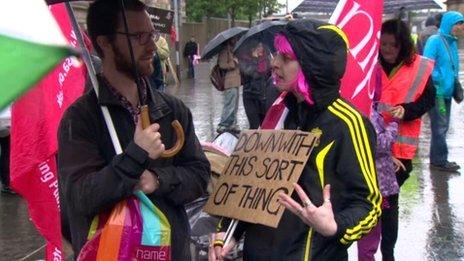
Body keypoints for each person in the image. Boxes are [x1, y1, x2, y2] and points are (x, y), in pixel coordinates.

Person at [210, 19, 381, 260]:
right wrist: (227, 234)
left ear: (312, 65)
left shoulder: (349, 124)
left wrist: (335, 226)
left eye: (286, 58)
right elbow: (249, 185)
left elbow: (369, 204)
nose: (273, 63)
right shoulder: (278, 113)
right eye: (276, 54)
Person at [57, 0, 210, 259]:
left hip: (170, 252)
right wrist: (135, 156)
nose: (151, 45)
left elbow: (199, 176)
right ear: (104, 42)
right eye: (139, 36)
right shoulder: (80, 119)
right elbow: (81, 198)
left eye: (152, 34)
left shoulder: (172, 110)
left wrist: (157, 180)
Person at [374, 19, 436, 261]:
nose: (387, 49)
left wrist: (408, 110)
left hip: (400, 152)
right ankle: (367, 251)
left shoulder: (419, 67)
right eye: (383, 44)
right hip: (373, 146)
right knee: (371, 201)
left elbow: (428, 99)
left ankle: (388, 254)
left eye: (393, 45)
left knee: (389, 204)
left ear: (404, 45)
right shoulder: (371, 65)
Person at [424, 11, 464, 172]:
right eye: (458, 24)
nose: (460, 28)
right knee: (440, 127)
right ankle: (440, 161)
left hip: (446, 93)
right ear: (449, 24)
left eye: (461, 24)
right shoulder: (435, 41)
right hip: (437, 93)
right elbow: (427, 64)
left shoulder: (452, 43)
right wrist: (439, 80)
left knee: (443, 127)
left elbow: (452, 67)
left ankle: (438, 159)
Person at [239, 42, 274, 129]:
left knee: (265, 125)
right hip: (250, 96)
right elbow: (249, 73)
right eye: (258, 46)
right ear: (252, 48)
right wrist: (254, 60)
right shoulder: (245, 59)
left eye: (261, 46)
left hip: (264, 96)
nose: (260, 48)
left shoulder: (267, 59)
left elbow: (269, 75)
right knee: (254, 125)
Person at [216, 38, 241, 134]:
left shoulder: (233, 51)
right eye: (234, 39)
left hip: (236, 82)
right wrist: (234, 63)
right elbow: (222, 65)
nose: (236, 41)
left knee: (235, 105)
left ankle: (232, 123)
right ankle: (223, 124)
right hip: (229, 82)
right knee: (229, 104)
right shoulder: (224, 51)